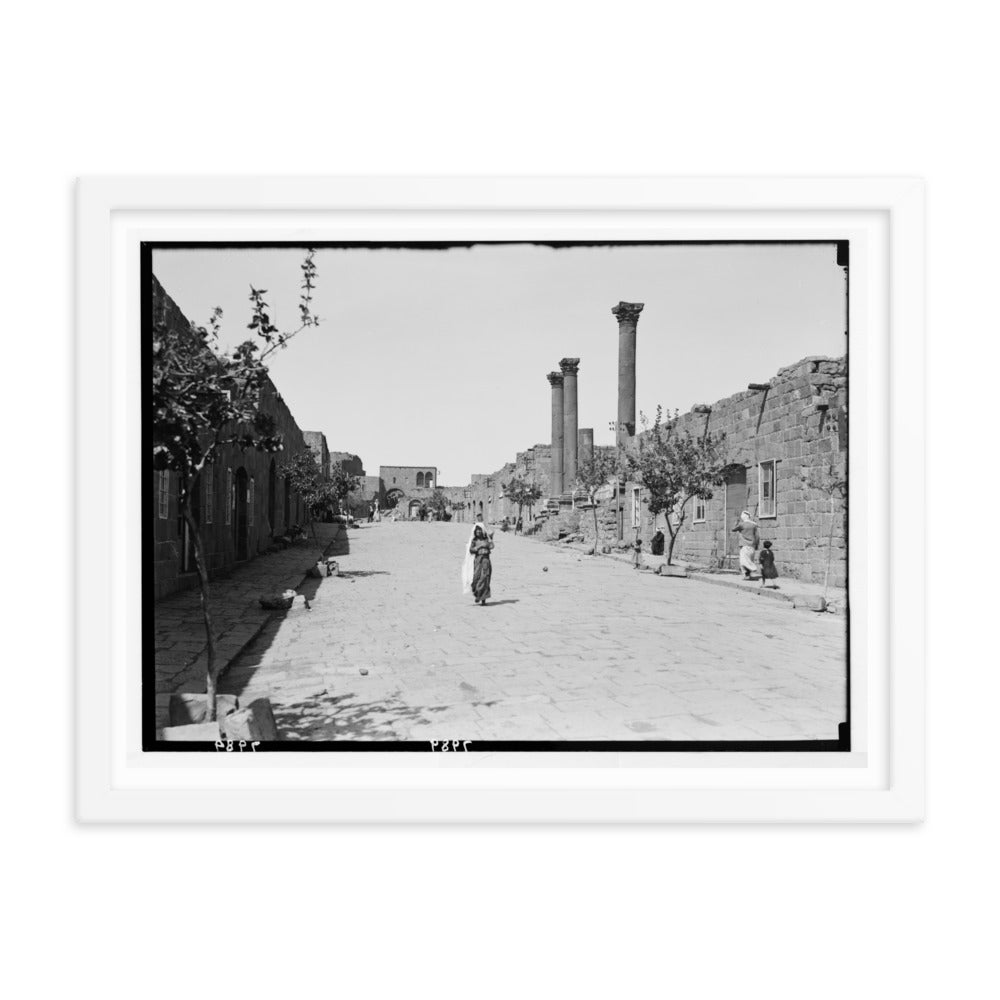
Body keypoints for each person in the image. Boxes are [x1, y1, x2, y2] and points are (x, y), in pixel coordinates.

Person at [462, 522, 494, 605]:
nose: (478, 532)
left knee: (485, 578)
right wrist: (478, 547)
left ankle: (483, 599)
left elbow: (492, 546)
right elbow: (471, 550)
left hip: (485, 561)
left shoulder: (486, 539)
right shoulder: (474, 540)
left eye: (480, 531)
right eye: (477, 531)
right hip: (477, 561)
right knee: (476, 578)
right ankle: (477, 594)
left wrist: (490, 540)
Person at [732, 511, 760, 578]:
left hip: (744, 545)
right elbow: (757, 536)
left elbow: (733, 529)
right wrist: (757, 545)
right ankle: (748, 575)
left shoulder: (742, 525)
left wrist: (736, 522)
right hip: (752, 545)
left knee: (743, 561)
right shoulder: (754, 525)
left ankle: (753, 568)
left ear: (743, 517)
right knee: (750, 559)